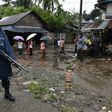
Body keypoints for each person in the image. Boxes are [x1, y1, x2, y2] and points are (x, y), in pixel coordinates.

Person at [0, 28, 15, 101]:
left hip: (3, 59)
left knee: (5, 77)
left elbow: (7, 45)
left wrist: (12, 59)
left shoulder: (2, 32)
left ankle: (7, 93)